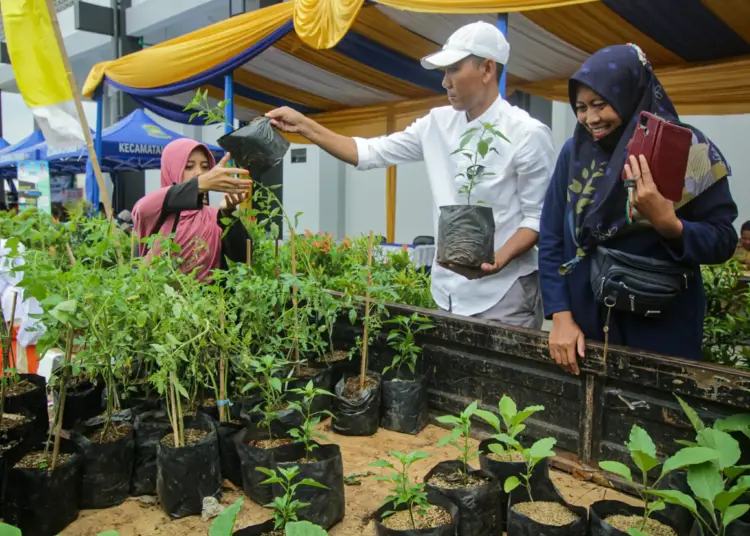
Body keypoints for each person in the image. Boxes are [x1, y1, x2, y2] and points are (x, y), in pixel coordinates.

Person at [266, 21, 555, 328]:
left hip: (504, 294)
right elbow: (369, 152)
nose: (445, 82)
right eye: (444, 72)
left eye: (454, 69)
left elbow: (537, 217)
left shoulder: (527, 134)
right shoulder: (436, 124)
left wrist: (497, 260)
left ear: (487, 69)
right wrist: (305, 127)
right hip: (447, 291)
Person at [539, 44, 738, 373]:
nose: (591, 118)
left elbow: (723, 239)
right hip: (584, 328)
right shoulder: (573, 154)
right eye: (581, 107)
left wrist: (669, 224)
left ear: (632, 93)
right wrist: (560, 316)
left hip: (663, 330)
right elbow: (551, 239)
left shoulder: (687, 151)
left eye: (600, 104)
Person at [132, 138, 252, 281]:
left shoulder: (214, 216)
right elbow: (142, 207)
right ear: (171, 169)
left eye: (205, 166)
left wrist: (228, 214)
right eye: (189, 166)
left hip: (210, 301)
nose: (199, 173)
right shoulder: (156, 214)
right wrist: (200, 183)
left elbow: (244, 256)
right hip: (162, 302)